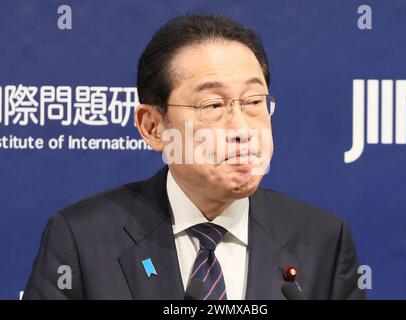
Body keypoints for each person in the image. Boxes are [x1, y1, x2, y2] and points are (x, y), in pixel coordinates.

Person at [23, 14, 365, 300]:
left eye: (254, 102)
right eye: (213, 105)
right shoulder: (81, 240)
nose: (242, 129)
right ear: (154, 127)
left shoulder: (323, 241)